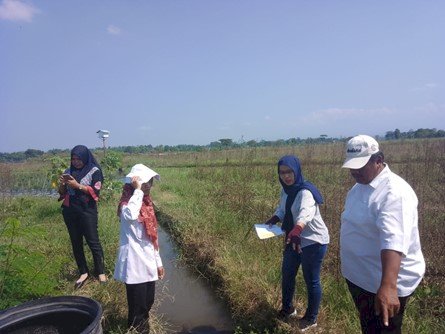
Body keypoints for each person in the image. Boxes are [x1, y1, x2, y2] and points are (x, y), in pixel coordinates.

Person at [340, 135, 425, 334]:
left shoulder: (394, 193)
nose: (354, 171)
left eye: (360, 166)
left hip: (382, 283)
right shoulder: (360, 186)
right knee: (369, 328)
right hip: (362, 279)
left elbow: (393, 241)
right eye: (352, 166)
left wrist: (388, 286)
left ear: (378, 160)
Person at [265, 155, 329, 332]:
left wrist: (297, 230)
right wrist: (275, 217)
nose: (286, 176)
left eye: (289, 172)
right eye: (282, 172)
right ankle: (288, 309)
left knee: (311, 279)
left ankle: (311, 318)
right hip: (295, 238)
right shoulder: (286, 190)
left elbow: (304, 215)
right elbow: (283, 209)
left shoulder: (305, 192)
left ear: (297, 171)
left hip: (313, 241)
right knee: (287, 273)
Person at [114, 164, 165, 333]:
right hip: (134, 263)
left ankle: (142, 326)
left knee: (148, 301)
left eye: (150, 182)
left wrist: (158, 262)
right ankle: (137, 329)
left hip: (148, 260)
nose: (149, 185)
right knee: (138, 305)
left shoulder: (147, 205)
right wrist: (138, 191)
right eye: (145, 182)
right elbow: (130, 215)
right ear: (134, 184)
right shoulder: (126, 204)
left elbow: (153, 237)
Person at [58, 145, 106, 288]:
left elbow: (95, 191)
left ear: (85, 158)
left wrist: (77, 185)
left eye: (79, 159)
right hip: (70, 211)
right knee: (76, 242)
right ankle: (83, 272)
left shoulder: (94, 171)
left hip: (87, 210)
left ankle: (100, 272)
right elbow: (62, 193)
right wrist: (62, 185)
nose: (76, 162)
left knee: (93, 242)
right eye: (73, 159)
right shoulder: (68, 172)